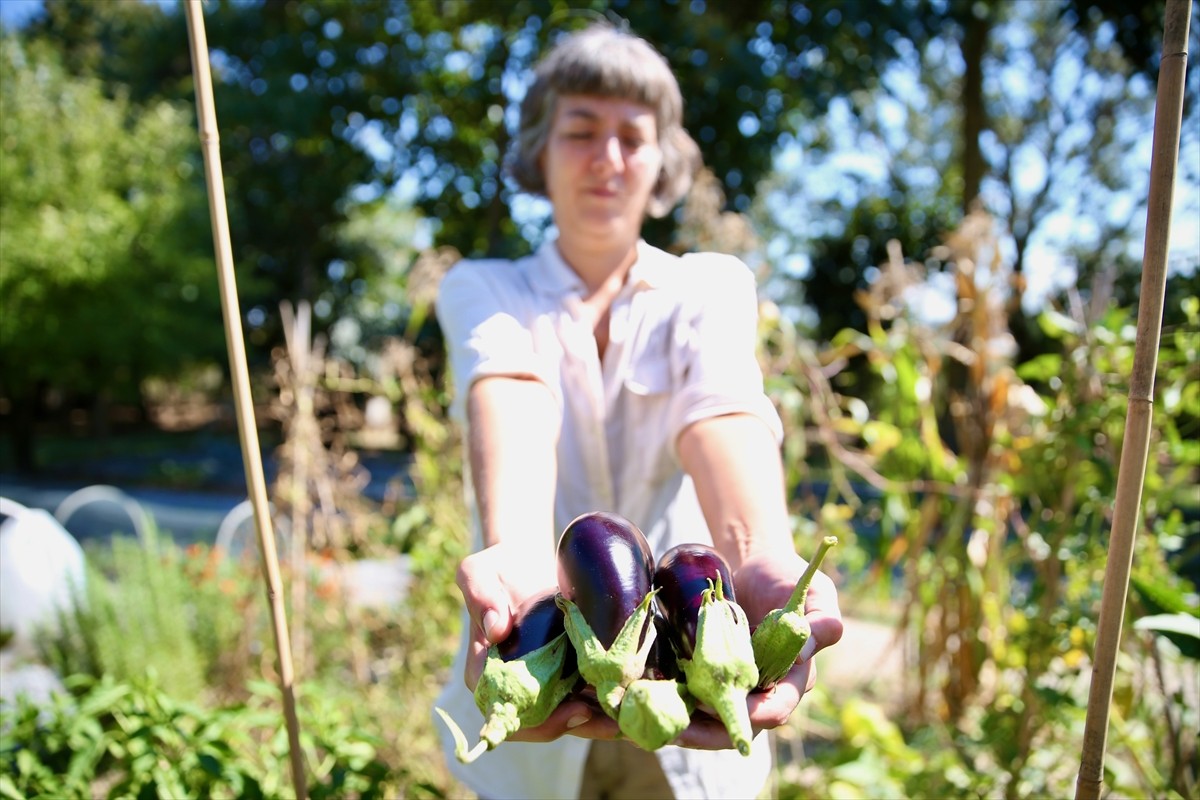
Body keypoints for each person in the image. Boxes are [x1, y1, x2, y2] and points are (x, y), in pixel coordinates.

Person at [432, 22, 843, 800]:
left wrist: (759, 557)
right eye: (581, 131)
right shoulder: (484, 288)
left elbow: (721, 412)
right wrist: (518, 553)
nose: (608, 158)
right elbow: (511, 393)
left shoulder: (709, 287)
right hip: (543, 664)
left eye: (633, 136)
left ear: (663, 161)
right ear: (539, 151)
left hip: (683, 681)